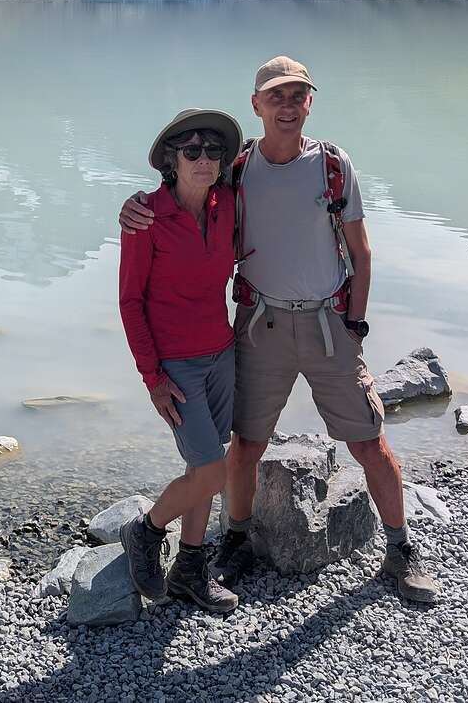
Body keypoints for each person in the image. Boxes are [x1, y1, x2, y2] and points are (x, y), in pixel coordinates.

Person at [119, 57, 440, 603]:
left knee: (369, 440)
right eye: (276, 97)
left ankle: (400, 546)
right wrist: (134, 208)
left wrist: (355, 324)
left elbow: (361, 251)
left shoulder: (333, 166)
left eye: (298, 96)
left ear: (310, 103)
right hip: (258, 323)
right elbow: (175, 210)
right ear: (257, 106)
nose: (288, 106)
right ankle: (237, 538)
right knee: (245, 444)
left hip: (327, 323)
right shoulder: (238, 170)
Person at [117, 108, 245, 613]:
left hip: (223, 352)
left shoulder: (228, 202)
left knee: (205, 462)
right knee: (212, 471)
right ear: (171, 160)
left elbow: (267, 152)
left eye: (213, 151)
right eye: (190, 150)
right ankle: (145, 531)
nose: (203, 158)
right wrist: (152, 377)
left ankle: (191, 568)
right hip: (178, 365)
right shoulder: (145, 217)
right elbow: (130, 302)